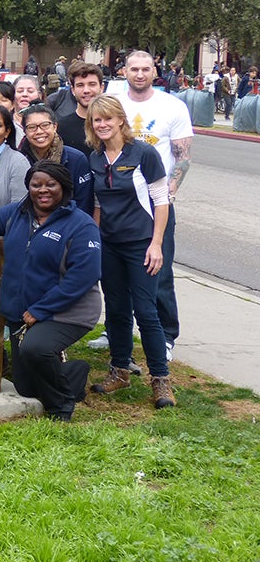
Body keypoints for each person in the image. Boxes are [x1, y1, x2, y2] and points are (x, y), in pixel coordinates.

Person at [0, 160, 100, 420]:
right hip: (23, 314)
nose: (43, 190)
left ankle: (60, 406)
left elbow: (83, 277)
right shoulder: (18, 213)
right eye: (36, 184)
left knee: (35, 349)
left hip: (66, 312)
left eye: (51, 184)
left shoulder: (81, 225)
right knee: (25, 387)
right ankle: (73, 373)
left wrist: (41, 310)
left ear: (63, 187)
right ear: (28, 187)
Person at [85, 95, 175, 409]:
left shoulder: (144, 154)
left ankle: (160, 380)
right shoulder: (95, 157)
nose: (103, 125)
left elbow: (161, 201)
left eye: (108, 118)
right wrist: (95, 240)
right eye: (97, 120)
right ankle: (119, 369)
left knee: (146, 311)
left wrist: (156, 244)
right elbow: (97, 204)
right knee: (117, 309)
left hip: (140, 244)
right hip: (109, 244)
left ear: (121, 120)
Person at [117, 50, 193, 360]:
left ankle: (166, 336)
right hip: (118, 198)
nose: (139, 74)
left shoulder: (172, 107)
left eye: (145, 69)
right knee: (117, 271)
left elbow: (182, 157)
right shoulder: (114, 103)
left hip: (155, 200)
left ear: (154, 71)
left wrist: (168, 196)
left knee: (158, 268)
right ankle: (117, 330)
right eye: (133, 69)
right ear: (124, 71)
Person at [18, 103, 93, 215]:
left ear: (55, 126)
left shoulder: (76, 159)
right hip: (28, 223)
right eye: (32, 127)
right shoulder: (18, 160)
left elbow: (84, 204)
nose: (39, 131)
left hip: (68, 225)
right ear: (24, 131)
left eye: (45, 125)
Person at [55, 62, 103, 157]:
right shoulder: (62, 127)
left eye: (92, 84)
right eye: (80, 85)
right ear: (73, 90)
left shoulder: (112, 125)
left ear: (101, 88)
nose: (86, 90)